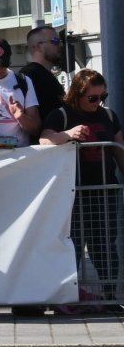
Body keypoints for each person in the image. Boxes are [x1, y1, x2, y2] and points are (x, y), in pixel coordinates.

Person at [42, 68, 123, 305]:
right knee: (72, 243)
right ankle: (67, 296)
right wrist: (67, 134)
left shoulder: (108, 116)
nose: (98, 103)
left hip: (104, 189)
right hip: (71, 192)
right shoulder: (61, 115)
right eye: (93, 98)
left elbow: (119, 149)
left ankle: (110, 295)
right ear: (78, 94)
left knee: (105, 244)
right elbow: (44, 140)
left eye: (102, 97)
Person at [21, 24, 69, 125]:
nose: (60, 45)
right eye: (55, 41)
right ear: (39, 47)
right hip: (43, 138)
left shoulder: (45, 74)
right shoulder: (29, 75)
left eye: (60, 41)